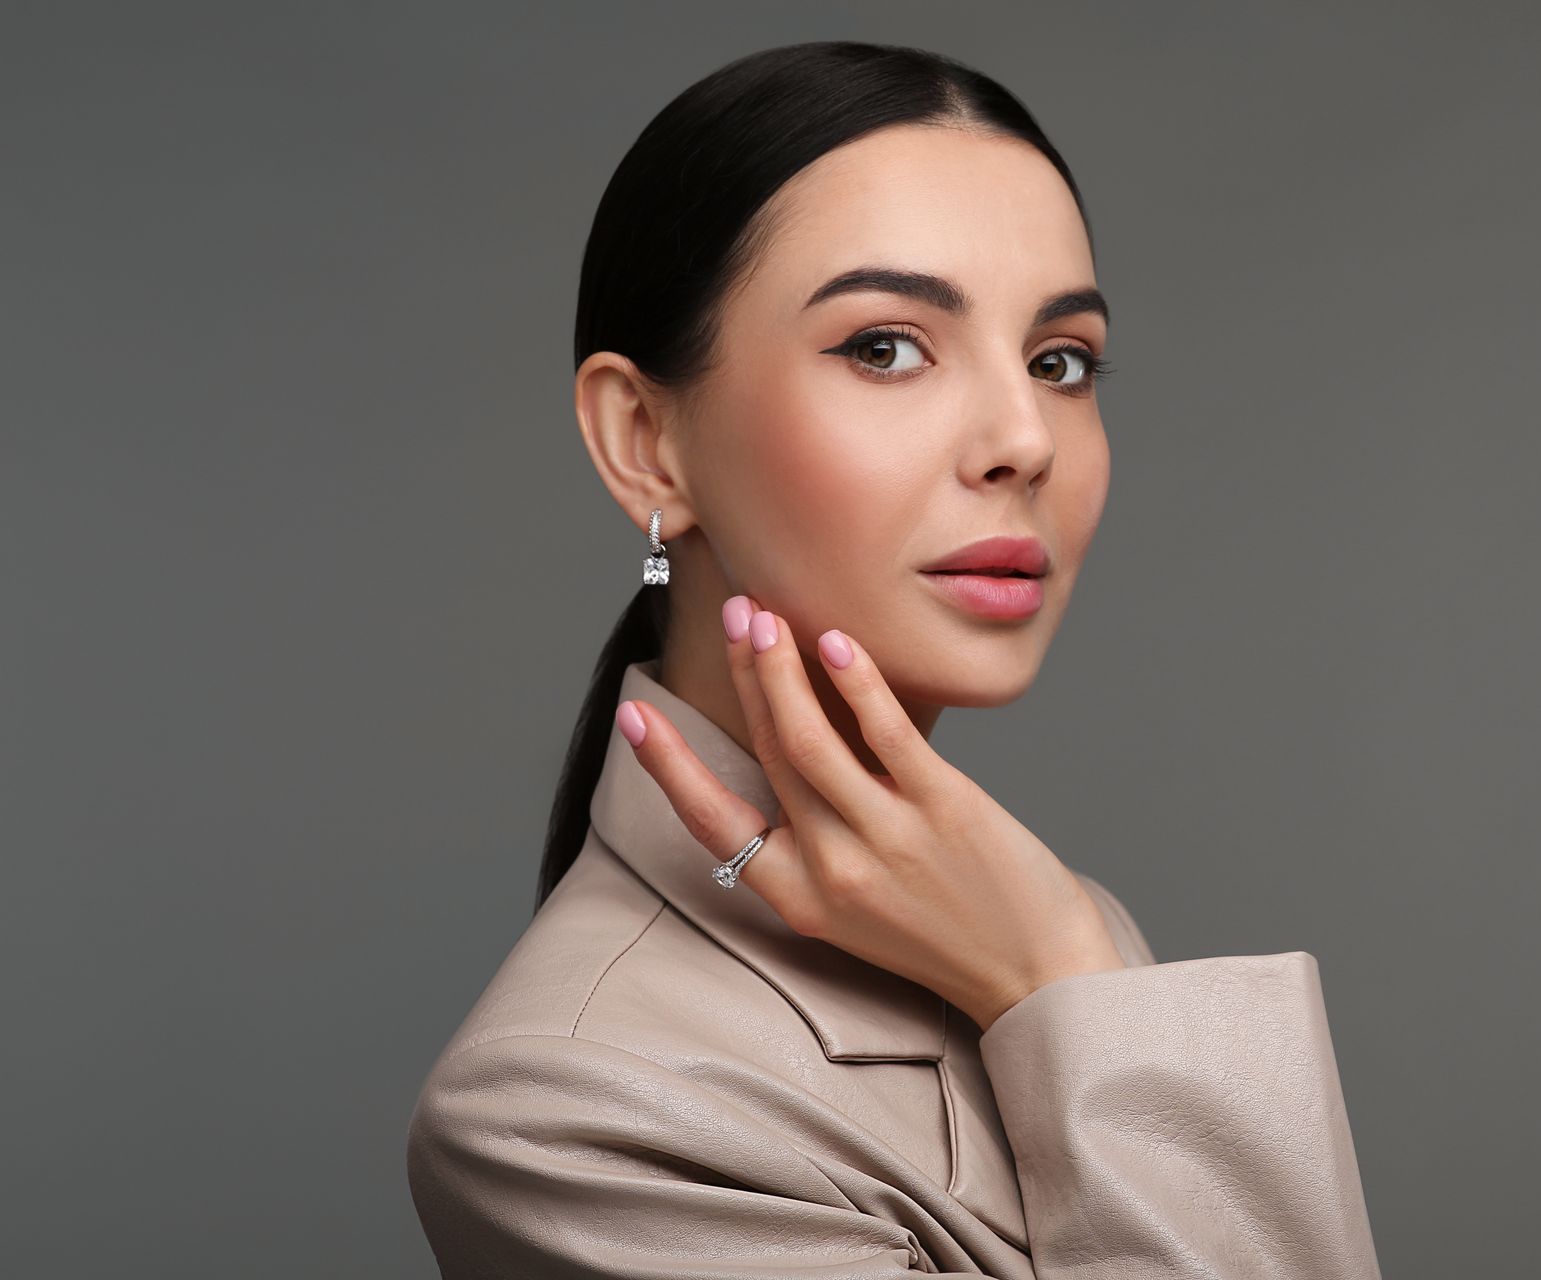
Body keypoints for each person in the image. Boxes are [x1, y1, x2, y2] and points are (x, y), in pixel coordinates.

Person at [405, 39, 1383, 1279]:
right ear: (646, 442)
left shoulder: (1052, 931)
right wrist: (1055, 971)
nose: (1024, 436)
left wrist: (1060, 969)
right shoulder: (571, 1111)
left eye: (1059, 360)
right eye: (886, 346)